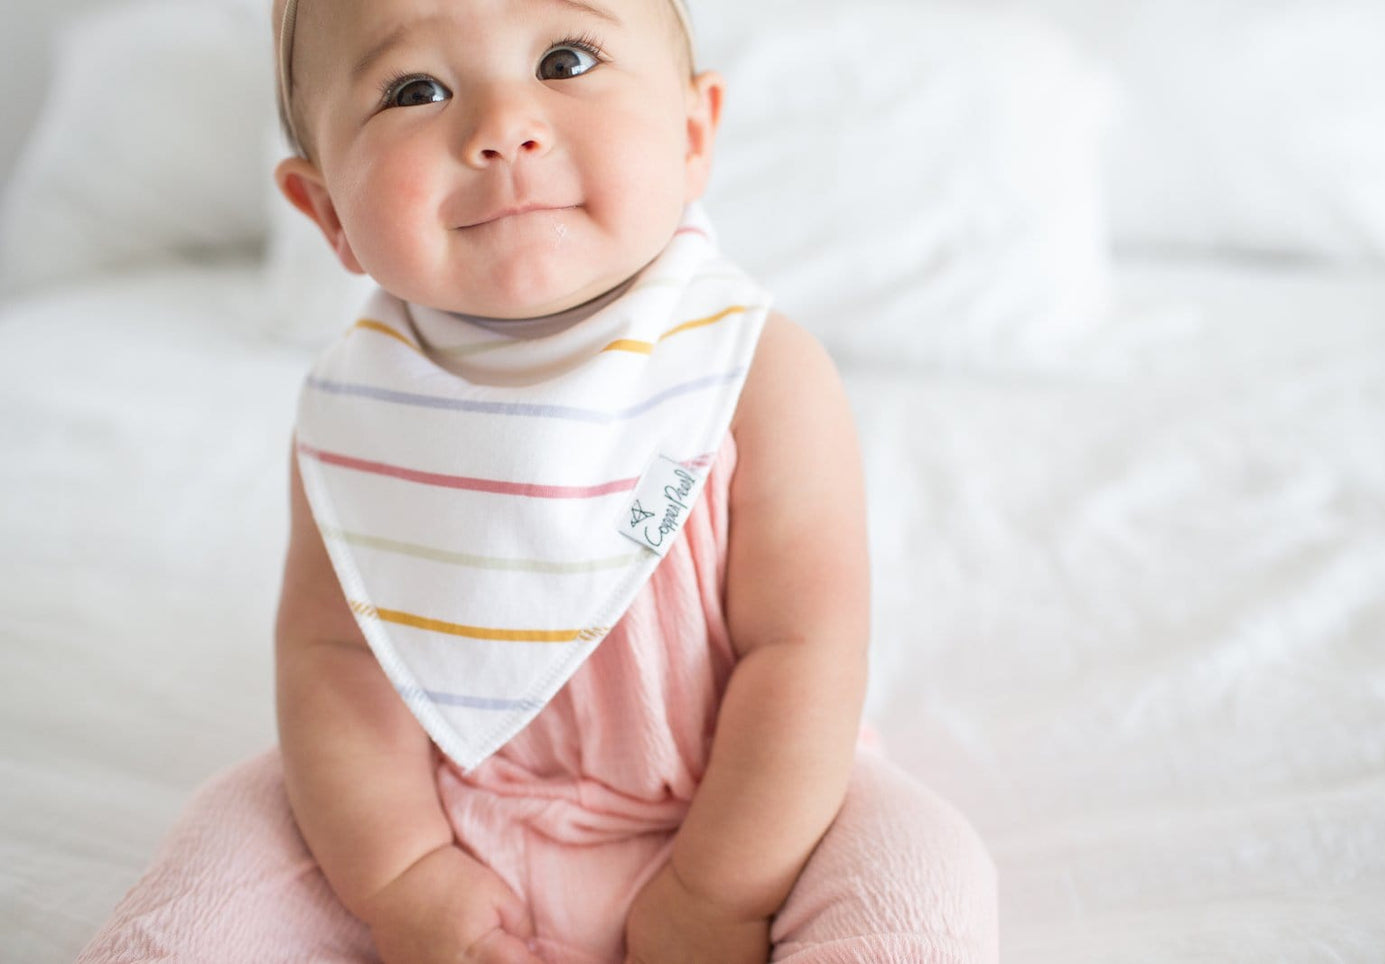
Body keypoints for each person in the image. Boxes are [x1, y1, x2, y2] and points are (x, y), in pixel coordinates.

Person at [77, 0, 998, 961]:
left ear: (691, 135)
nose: (500, 128)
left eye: (565, 59)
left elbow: (803, 654)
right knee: (225, 847)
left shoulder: (753, 373)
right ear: (327, 214)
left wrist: (716, 892)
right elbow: (333, 664)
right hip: (442, 815)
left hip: (745, 809)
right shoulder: (357, 410)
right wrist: (404, 879)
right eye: (414, 90)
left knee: (924, 869)